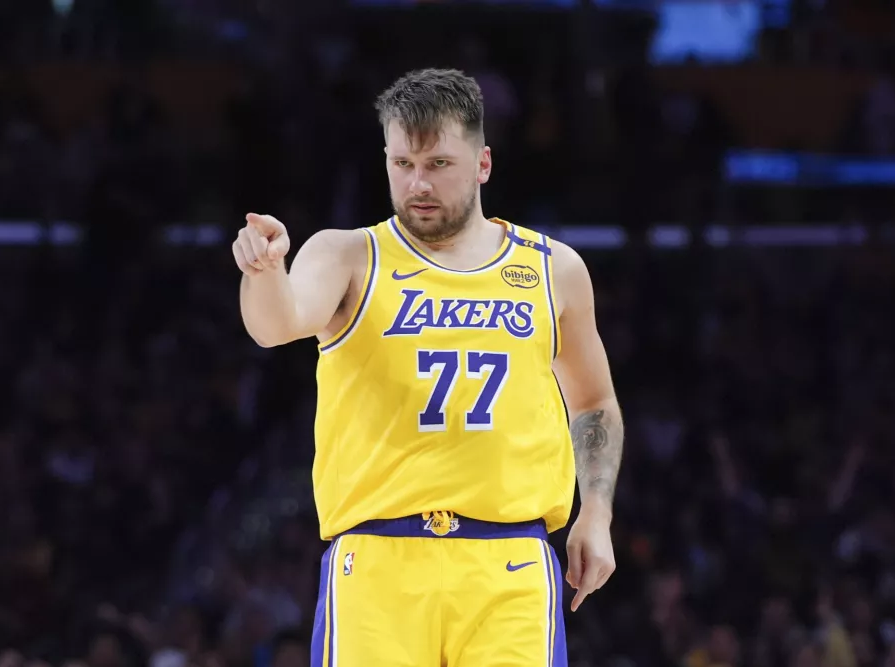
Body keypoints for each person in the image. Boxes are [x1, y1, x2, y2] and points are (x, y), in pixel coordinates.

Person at [232, 68, 623, 666]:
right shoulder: (346, 255)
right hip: (378, 564)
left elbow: (593, 401)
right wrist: (262, 273)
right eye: (402, 164)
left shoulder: (554, 269)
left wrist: (595, 512)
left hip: (509, 563)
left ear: (483, 163)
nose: (418, 183)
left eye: (438, 164)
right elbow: (273, 324)